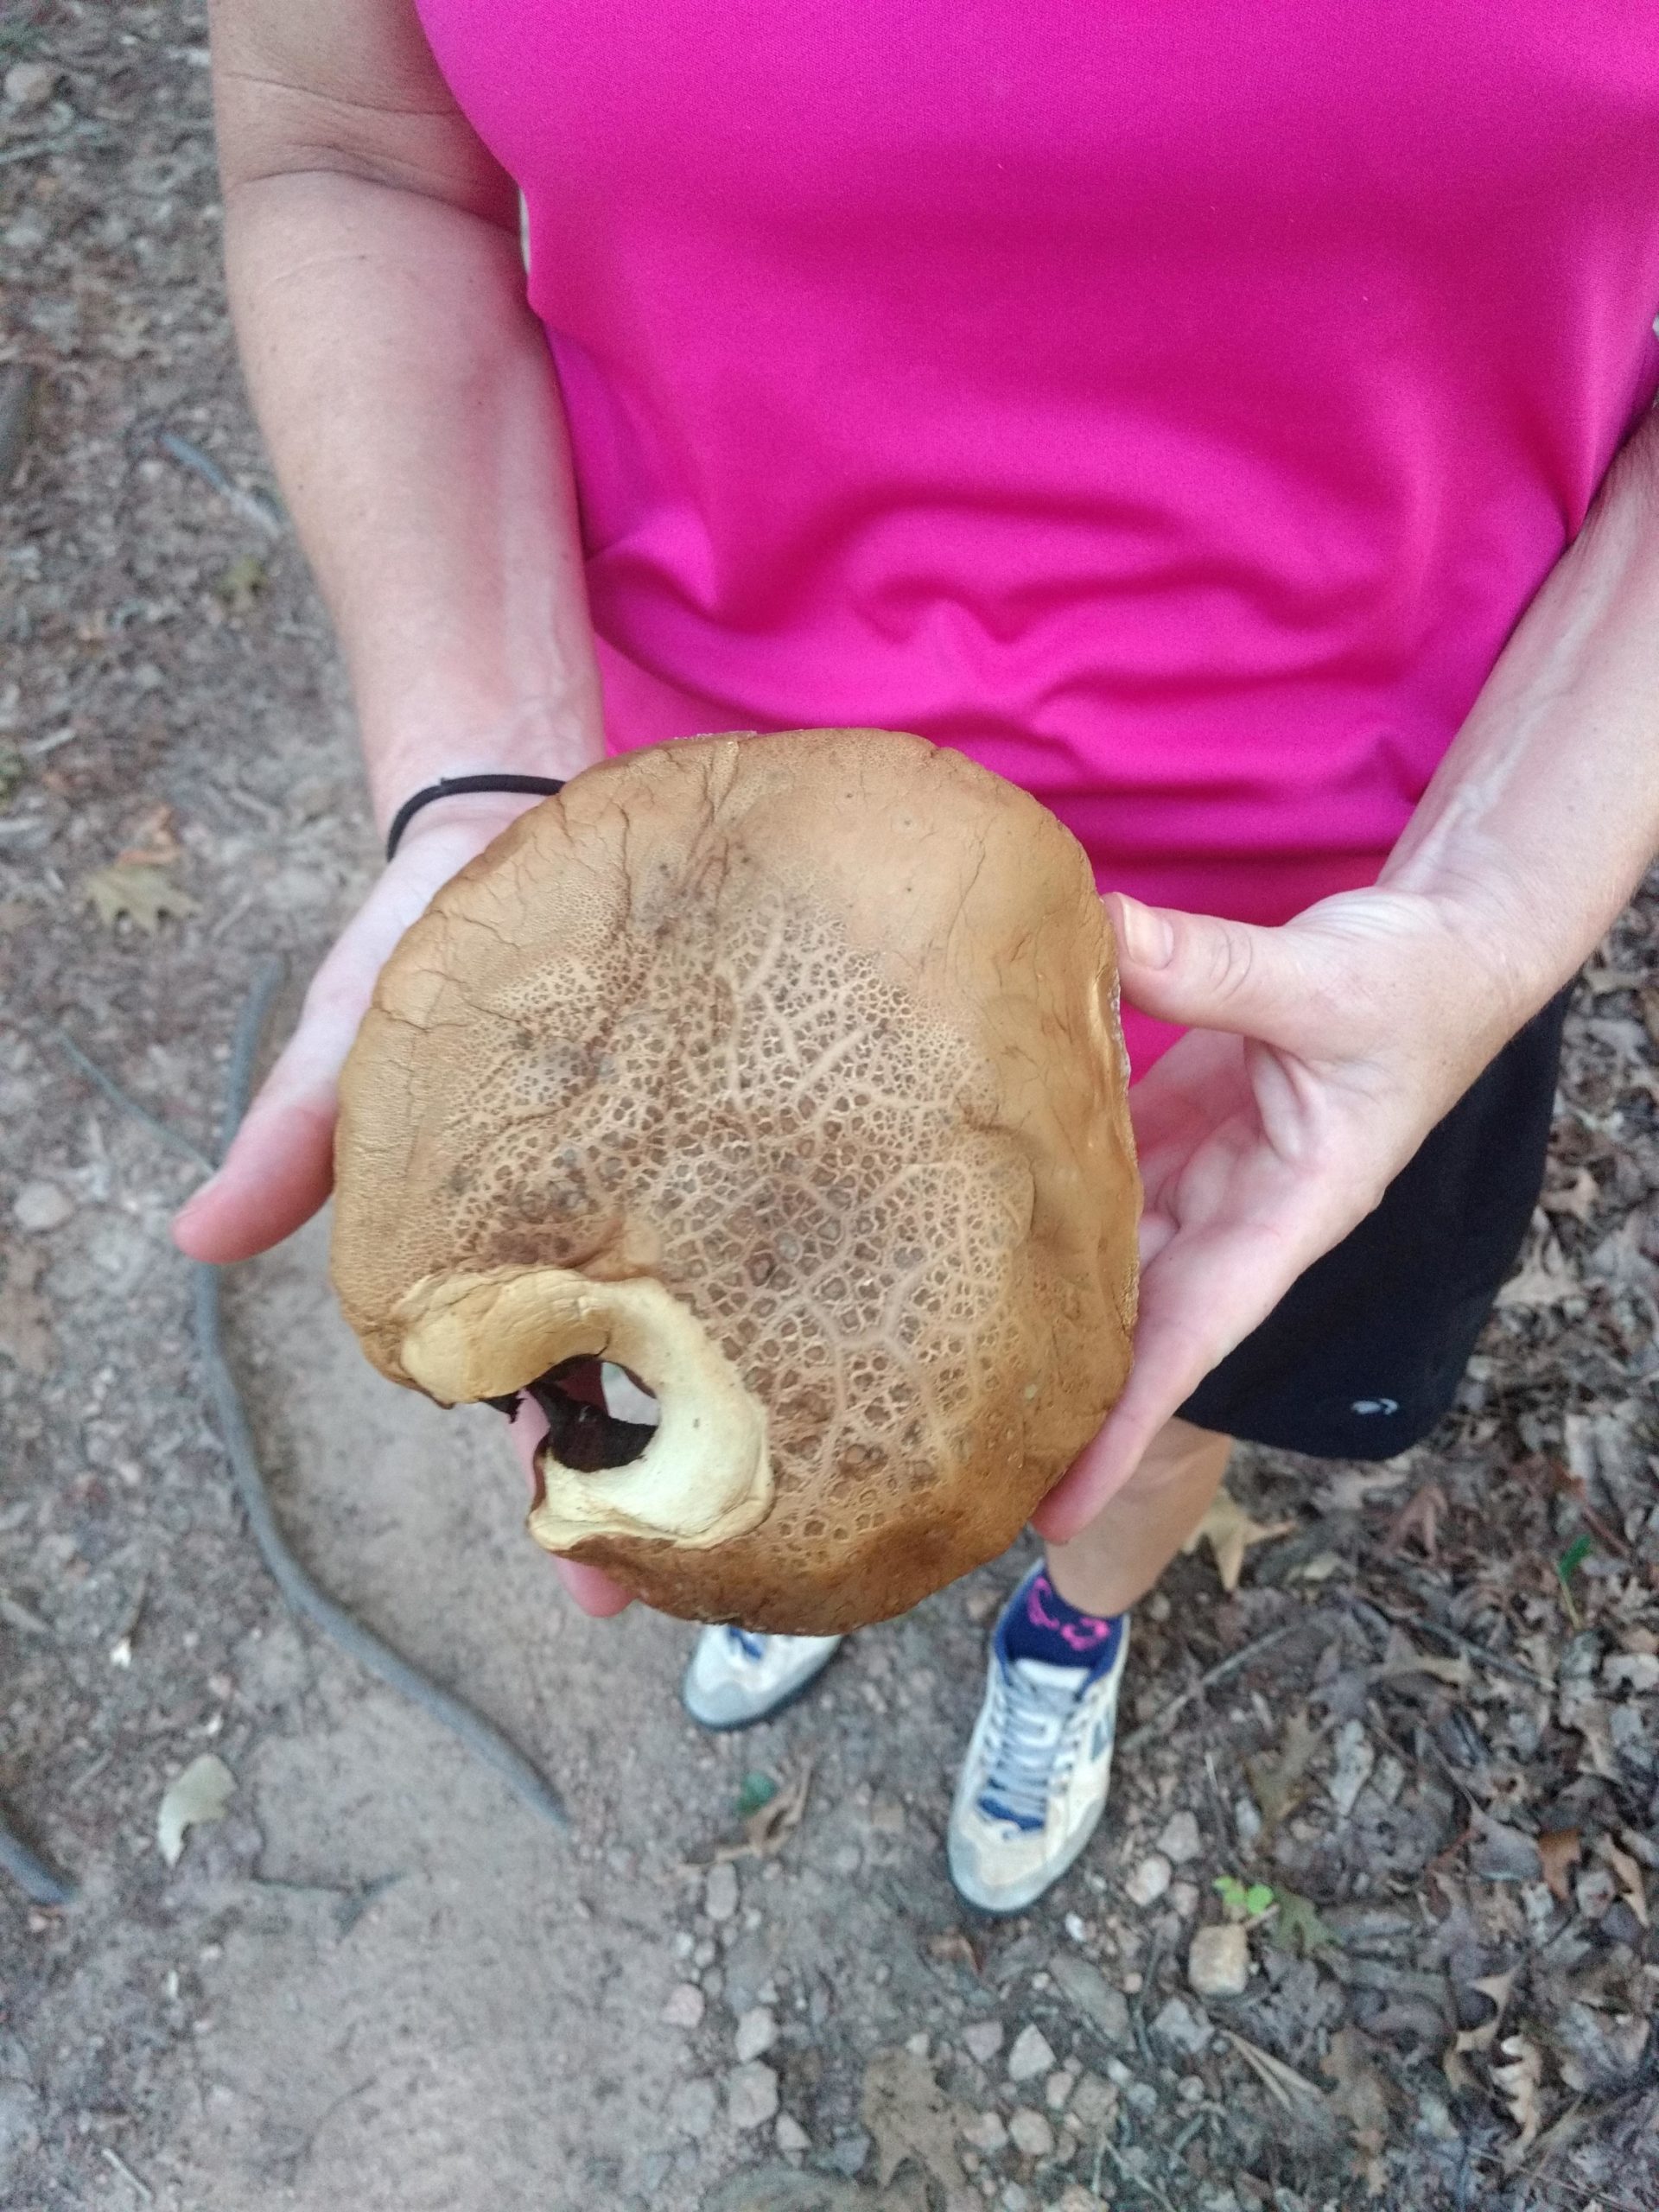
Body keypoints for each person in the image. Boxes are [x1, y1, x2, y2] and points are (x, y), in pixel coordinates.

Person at [177, 0, 1659, 1912]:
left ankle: (1072, 1617)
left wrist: (1492, 897)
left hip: (1351, 943)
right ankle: (809, 1552)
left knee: (1152, 1404)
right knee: (810, 1407)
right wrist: (482, 775)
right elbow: (351, 147)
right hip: (661, 895)